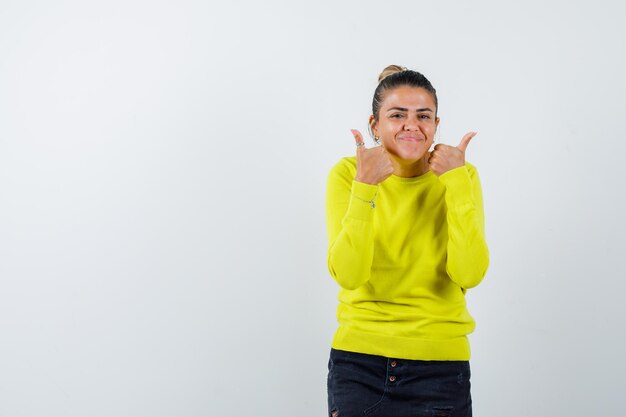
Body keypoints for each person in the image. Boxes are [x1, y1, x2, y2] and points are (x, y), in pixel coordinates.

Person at [325, 65, 489, 417]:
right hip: (359, 365)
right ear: (374, 125)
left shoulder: (462, 177)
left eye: (423, 115)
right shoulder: (347, 175)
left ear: (436, 124)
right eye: (397, 115)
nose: (411, 125)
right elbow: (350, 275)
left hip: (441, 367)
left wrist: (457, 184)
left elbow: (469, 274)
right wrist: (365, 188)